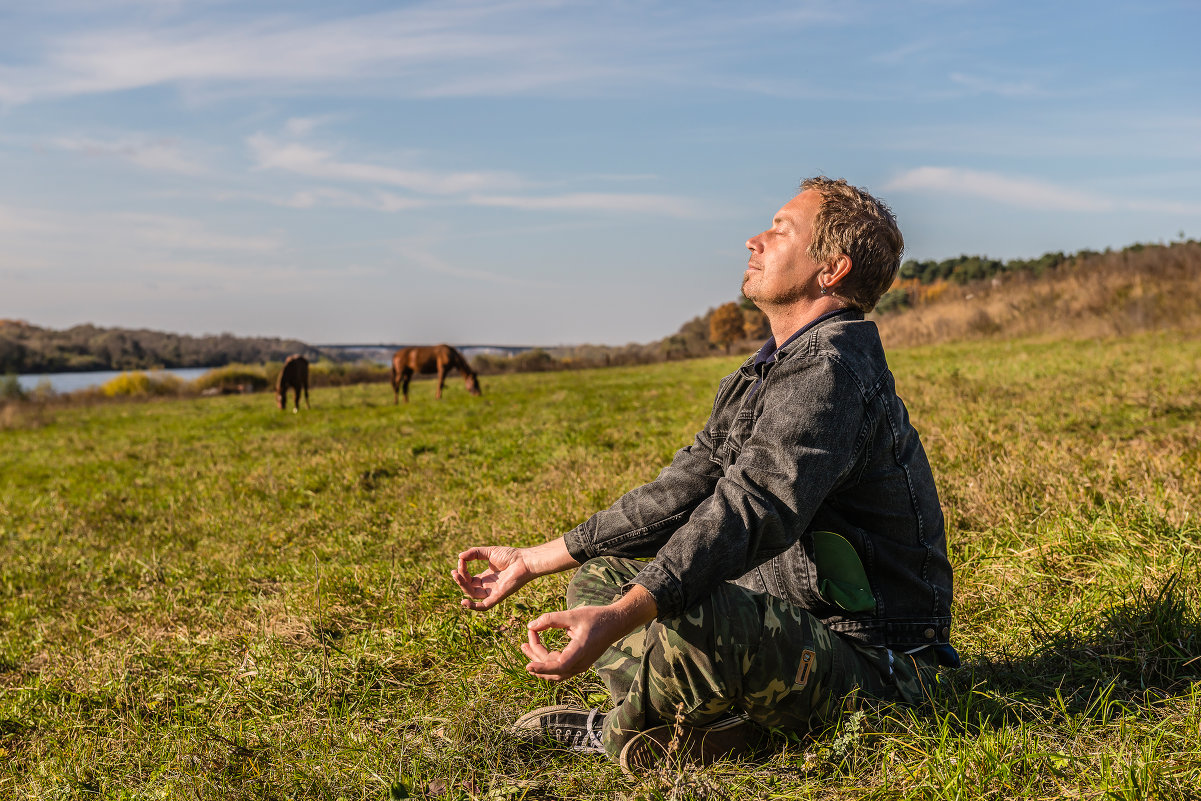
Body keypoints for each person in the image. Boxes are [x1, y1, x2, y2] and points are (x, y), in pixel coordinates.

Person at [451, 176, 956, 770]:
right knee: (600, 581)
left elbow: (751, 510)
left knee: (683, 608)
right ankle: (729, 718)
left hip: (882, 664)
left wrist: (622, 618)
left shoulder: (832, 372)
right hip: (796, 622)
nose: (755, 240)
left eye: (781, 230)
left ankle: (624, 731)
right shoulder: (774, 369)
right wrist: (537, 557)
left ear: (832, 269)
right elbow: (682, 491)